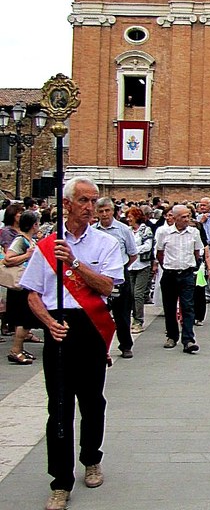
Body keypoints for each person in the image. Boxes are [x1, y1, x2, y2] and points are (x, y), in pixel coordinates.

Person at [19, 177, 124, 510]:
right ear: (67, 204)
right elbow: (33, 293)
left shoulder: (105, 244)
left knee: (93, 401)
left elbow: (108, 286)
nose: (89, 207)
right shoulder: (48, 245)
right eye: (83, 200)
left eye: (93, 201)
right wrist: (48, 323)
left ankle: (91, 458)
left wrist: (76, 263)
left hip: (90, 327)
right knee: (59, 407)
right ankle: (60, 481)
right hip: (59, 328)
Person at [93, 198, 137, 359]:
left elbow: (132, 254)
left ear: (114, 212)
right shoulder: (92, 230)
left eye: (107, 211)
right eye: (101, 211)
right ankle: (99, 346)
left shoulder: (123, 230)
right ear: (96, 213)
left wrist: (120, 267)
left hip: (119, 274)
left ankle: (125, 345)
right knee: (98, 312)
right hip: (98, 274)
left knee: (122, 313)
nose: (104, 214)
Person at [157, 204, 203, 354]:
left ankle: (188, 339)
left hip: (187, 273)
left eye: (188, 216)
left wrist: (193, 267)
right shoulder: (164, 232)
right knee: (169, 307)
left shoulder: (194, 232)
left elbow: (197, 252)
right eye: (183, 217)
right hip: (170, 273)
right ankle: (172, 335)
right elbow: (159, 253)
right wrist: (167, 266)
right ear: (174, 218)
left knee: (188, 306)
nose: (186, 219)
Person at [5, 211, 42, 364]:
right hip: (20, 286)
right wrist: (27, 255)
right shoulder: (20, 240)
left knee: (26, 319)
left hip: (27, 284)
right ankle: (16, 349)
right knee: (23, 319)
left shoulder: (29, 239)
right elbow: (8, 259)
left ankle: (19, 348)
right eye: (37, 223)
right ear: (33, 225)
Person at [125, 206, 154, 333]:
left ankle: (138, 321)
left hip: (142, 265)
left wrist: (133, 251)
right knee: (130, 294)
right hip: (130, 265)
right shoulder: (127, 230)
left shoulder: (145, 230)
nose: (128, 219)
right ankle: (132, 318)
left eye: (130, 217)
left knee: (138, 294)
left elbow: (148, 246)